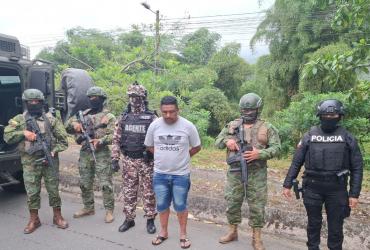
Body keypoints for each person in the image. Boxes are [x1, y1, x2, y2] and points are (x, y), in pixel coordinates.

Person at [283, 99, 363, 250]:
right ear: (320, 116)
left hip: (337, 190)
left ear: (340, 117)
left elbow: (357, 167)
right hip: (312, 188)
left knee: (336, 229)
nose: (330, 119)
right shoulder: (309, 136)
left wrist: (354, 194)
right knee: (313, 225)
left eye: (334, 116)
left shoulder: (347, 137)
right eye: (327, 116)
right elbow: (296, 162)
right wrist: (287, 184)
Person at [215, 93, 281, 250]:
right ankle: (232, 232)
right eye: (245, 110)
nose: (247, 113)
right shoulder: (232, 125)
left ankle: (256, 238)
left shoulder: (267, 127)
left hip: (257, 173)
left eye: (251, 110)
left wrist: (260, 153)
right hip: (235, 171)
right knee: (232, 202)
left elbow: (277, 148)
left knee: (257, 206)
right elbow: (217, 142)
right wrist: (227, 141)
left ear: (258, 109)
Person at [4, 88, 69, 234]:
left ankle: (57, 216)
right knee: (32, 192)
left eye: (37, 101)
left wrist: (54, 150)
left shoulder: (51, 119)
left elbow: (64, 141)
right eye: (31, 101)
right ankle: (34, 219)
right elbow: (7, 137)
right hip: (30, 163)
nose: (34, 103)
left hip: (49, 160)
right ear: (26, 103)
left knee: (53, 190)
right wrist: (23, 133)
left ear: (41, 102)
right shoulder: (19, 119)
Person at [144, 96, 201, 249]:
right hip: (160, 174)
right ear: (161, 110)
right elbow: (149, 145)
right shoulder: (154, 125)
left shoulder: (188, 126)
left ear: (178, 110)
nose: (168, 115)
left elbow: (197, 146)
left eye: (172, 112)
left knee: (180, 205)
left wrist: (183, 157)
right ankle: (163, 232)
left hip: (180, 175)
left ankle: (183, 235)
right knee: (162, 204)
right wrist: (161, 156)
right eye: (165, 112)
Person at [111, 82, 157, 234]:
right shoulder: (124, 117)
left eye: (137, 96)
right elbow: (116, 139)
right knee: (129, 191)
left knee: (149, 192)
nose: (134, 100)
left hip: (146, 161)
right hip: (129, 160)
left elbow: (159, 140)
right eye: (131, 96)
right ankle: (129, 219)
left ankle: (150, 219)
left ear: (143, 97)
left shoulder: (152, 118)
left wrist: (154, 154)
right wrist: (114, 158)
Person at [66, 86, 116, 223]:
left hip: (102, 153)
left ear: (102, 99)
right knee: (85, 182)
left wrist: (101, 141)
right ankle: (88, 207)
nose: (93, 100)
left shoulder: (108, 116)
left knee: (105, 183)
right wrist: (74, 125)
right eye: (91, 98)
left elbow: (115, 135)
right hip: (85, 152)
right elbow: (67, 127)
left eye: (96, 98)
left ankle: (109, 210)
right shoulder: (83, 114)